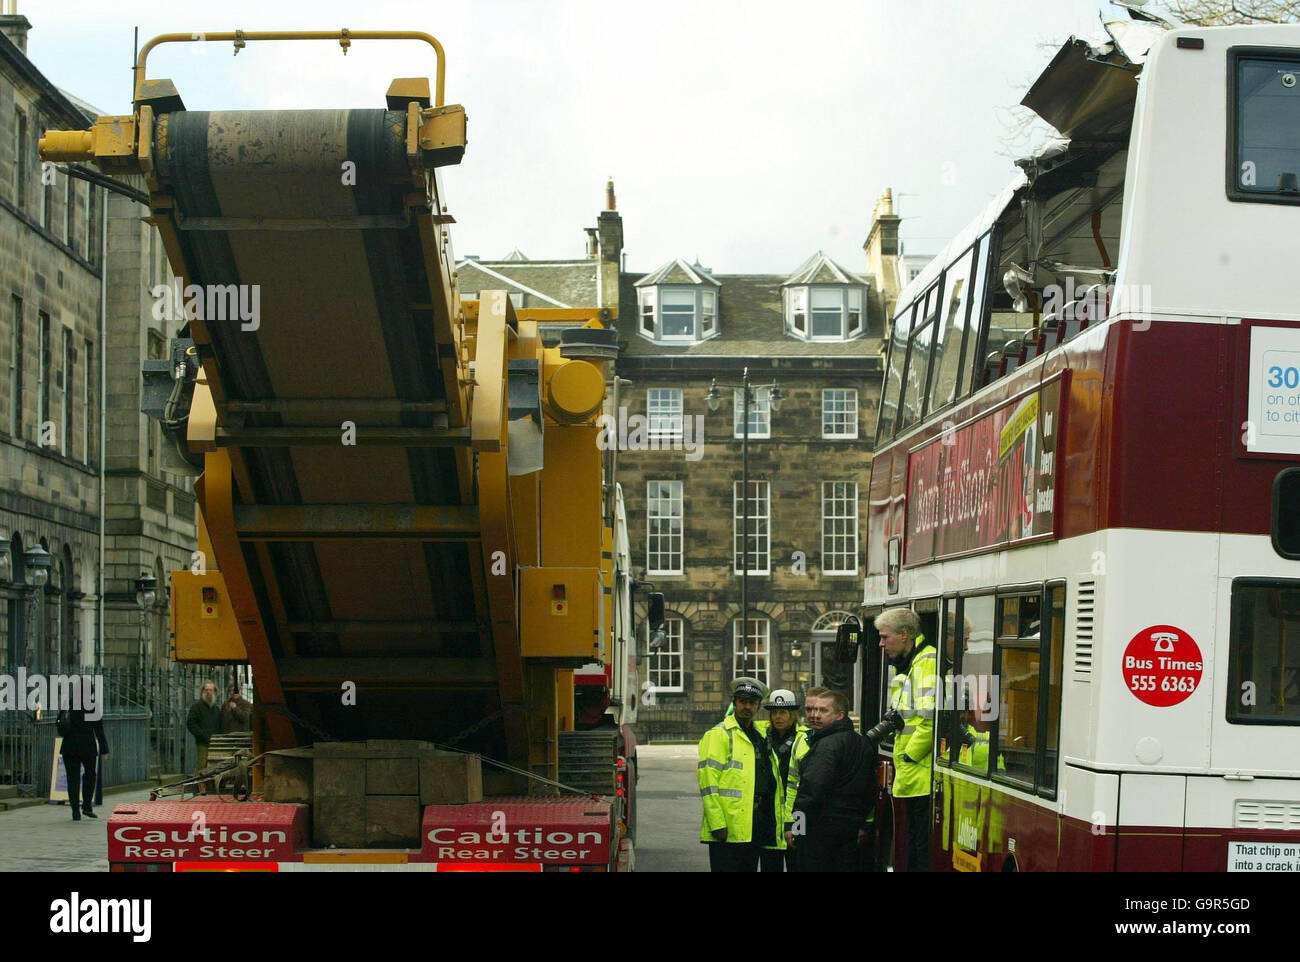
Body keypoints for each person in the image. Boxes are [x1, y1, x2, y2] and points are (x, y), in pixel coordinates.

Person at [698, 680, 782, 872]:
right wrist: (717, 823)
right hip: (727, 827)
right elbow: (708, 784)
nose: (747, 707)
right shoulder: (718, 735)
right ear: (734, 703)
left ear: (759, 706)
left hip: (755, 822)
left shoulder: (760, 733)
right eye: (743, 701)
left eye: (752, 703)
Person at [876, 607, 937, 872]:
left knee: (919, 849)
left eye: (884, 637)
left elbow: (929, 719)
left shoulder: (926, 661)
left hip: (920, 774)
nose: (880, 643)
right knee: (912, 846)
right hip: (913, 775)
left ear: (904, 635)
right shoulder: (912, 662)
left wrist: (907, 756)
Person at [787, 688, 874, 872]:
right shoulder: (863, 743)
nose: (815, 715)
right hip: (851, 830)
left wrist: (797, 828)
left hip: (820, 831)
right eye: (812, 710)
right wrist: (864, 824)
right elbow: (870, 789)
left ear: (840, 715)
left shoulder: (826, 745)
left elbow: (810, 791)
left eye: (823, 711)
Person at [756, 689, 807, 872]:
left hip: (798, 813)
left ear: (793, 714)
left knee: (799, 863)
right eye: (774, 712)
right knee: (770, 865)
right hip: (769, 816)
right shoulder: (761, 736)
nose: (778, 717)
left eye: (783, 712)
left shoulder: (805, 739)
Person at [57, 707, 109, 821]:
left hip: (69, 747)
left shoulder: (68, 705)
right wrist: (104, 750)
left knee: (72, 779)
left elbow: (60, 723)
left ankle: (75, 811)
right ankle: (86, 805)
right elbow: (99, 729)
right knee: (90, 775)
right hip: (87, 746)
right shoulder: (92, 707)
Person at [187, 681, 221, 775]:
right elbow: (191, 723)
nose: (208, 692)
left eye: (211, 690)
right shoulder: (196, 707)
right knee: (202, 766)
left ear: (214, 692)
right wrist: (201, 734)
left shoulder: (216, 709)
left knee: (214, 767)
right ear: (203, 691)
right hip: (202, 742)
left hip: (215, 743)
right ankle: (197, 786)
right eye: (206, 690)